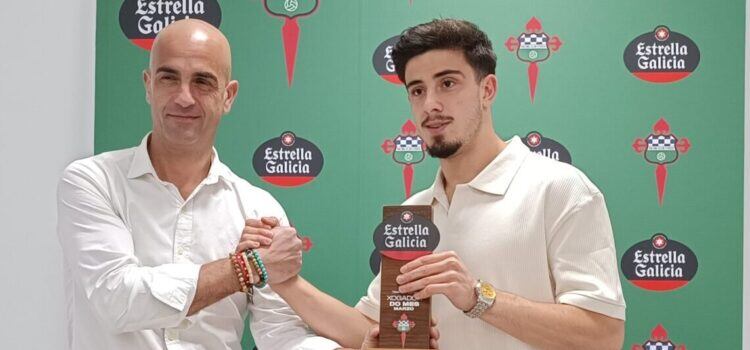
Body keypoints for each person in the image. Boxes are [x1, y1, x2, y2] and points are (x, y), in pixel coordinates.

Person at [243, 18, 625, 349]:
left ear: (487, 89)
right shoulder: (414, 213)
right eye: (417, 90)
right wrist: (287, 283)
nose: (430, 105)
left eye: (447, 84)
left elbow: (603, 335)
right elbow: (372, 330)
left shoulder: (560, 188)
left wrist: (477, 297)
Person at [56, 19, 343, 349]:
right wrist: (245, 268)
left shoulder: (259, 208)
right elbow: (117, 299)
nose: (184, 97)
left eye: (203, 82)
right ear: (149, 86)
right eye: (169, 78)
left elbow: (281, 334)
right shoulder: (92, 182)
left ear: (228, 96)